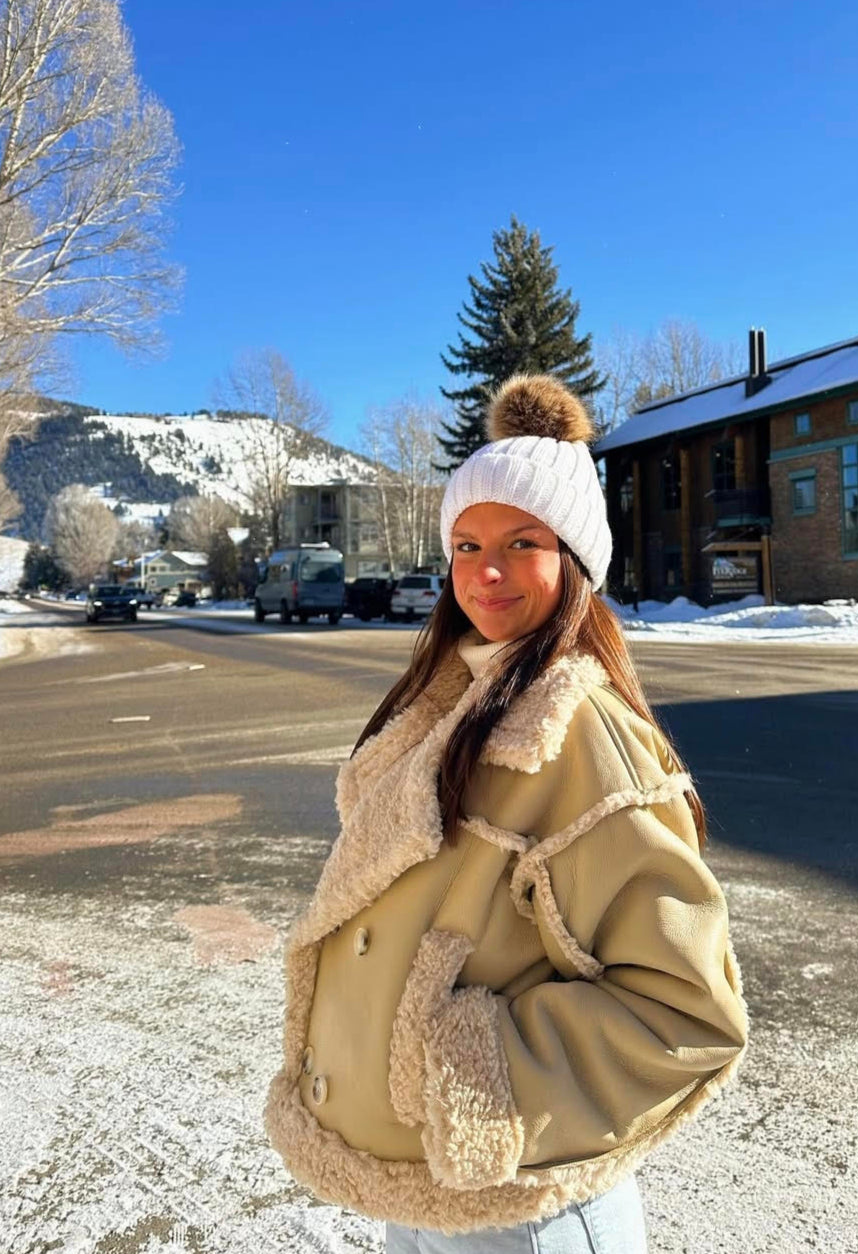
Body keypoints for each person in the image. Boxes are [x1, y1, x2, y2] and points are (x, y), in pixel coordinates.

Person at [264, 374, 749, 1252]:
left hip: (522, 1206)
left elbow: (688, 1013)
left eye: (522, 541)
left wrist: (465, 1075)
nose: (484, 572)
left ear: (574, 563)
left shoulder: (576, 730)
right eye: (465, 543)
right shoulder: (454, 704)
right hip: (422, 1194)